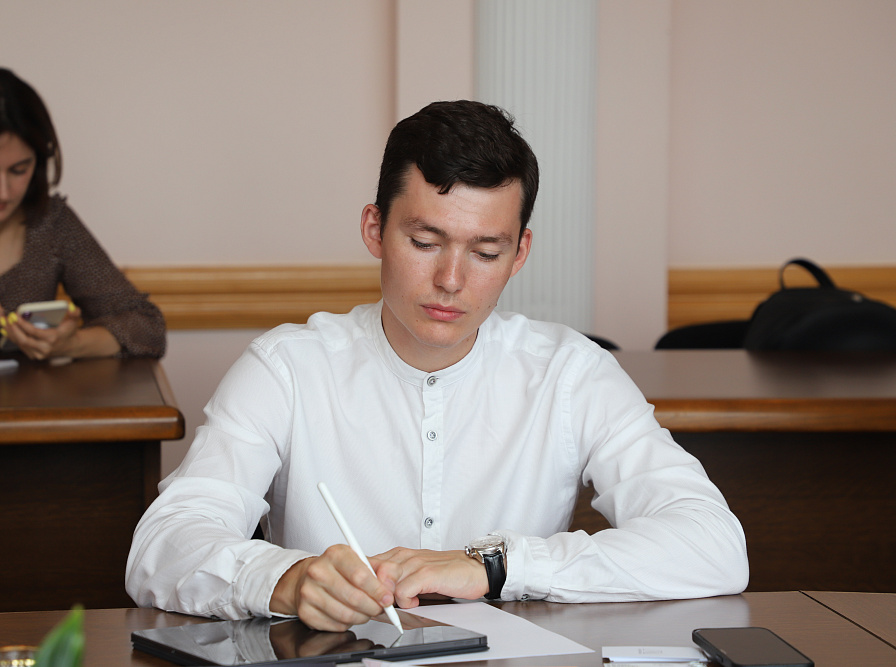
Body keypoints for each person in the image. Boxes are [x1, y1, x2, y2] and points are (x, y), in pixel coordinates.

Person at [127, 100, 747, 631]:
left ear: (520, 253)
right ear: (375, 229)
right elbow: (162, 544)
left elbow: (713, 544)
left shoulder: (571, 373)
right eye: (425, 243)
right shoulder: (288, 368)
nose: (451, 280)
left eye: (486, 252)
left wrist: (497, 566)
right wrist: (284, 578)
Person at [0, 65, 165, 360]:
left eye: (19, 170)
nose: (3, 192)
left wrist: (72, 344)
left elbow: (147, 327)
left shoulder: (50, 222)